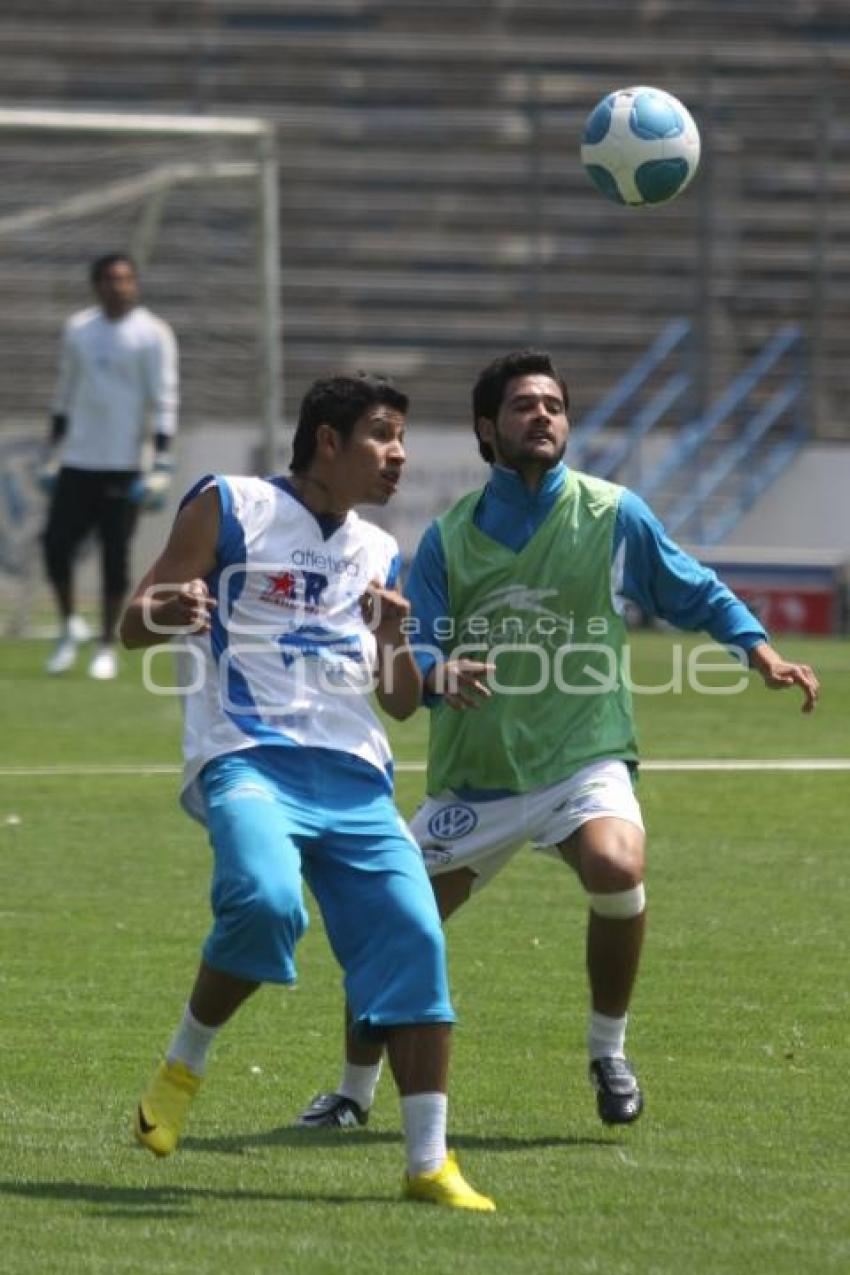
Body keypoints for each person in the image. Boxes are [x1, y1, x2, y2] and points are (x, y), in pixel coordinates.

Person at [297, 348, 819, 1133]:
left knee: (616, 865)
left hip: (582, 759)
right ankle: (351, 1092)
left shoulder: (612, 513)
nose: (541, 415)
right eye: (521, 406)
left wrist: (760, 649)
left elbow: (691, 586)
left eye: (553, 405)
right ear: (486, 429)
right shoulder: (447, 538)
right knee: (390, 930)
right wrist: (439, 672)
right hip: (475, 779)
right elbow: (418, 649)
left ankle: (608, 1049)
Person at [119, 373, 495, 1211]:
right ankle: (183, 1065)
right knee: (262, 900)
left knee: (415, 939)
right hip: (247, 756)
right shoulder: (229, 504)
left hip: (357, 778)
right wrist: (172, 605)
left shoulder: (378, 548)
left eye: (400, 437)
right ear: (328, 439)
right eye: (383, 434)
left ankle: (429, 1163)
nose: (399, 453)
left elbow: (397, 698)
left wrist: (404, 644)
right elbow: (132, 622)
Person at [42, 252, 179, 680]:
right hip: (79, 460)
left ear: (134, 284)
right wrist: (53, 451)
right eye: (108, 279)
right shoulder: (79, 329)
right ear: (96, 284)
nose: (117, 286)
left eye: (124, 279)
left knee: (114, 557)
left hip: (125, 465)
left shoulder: (152, 333)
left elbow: (165, 397)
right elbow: (65, 391)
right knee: (55, 546)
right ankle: (69, 627)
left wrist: (159, 461)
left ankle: (105, 645)